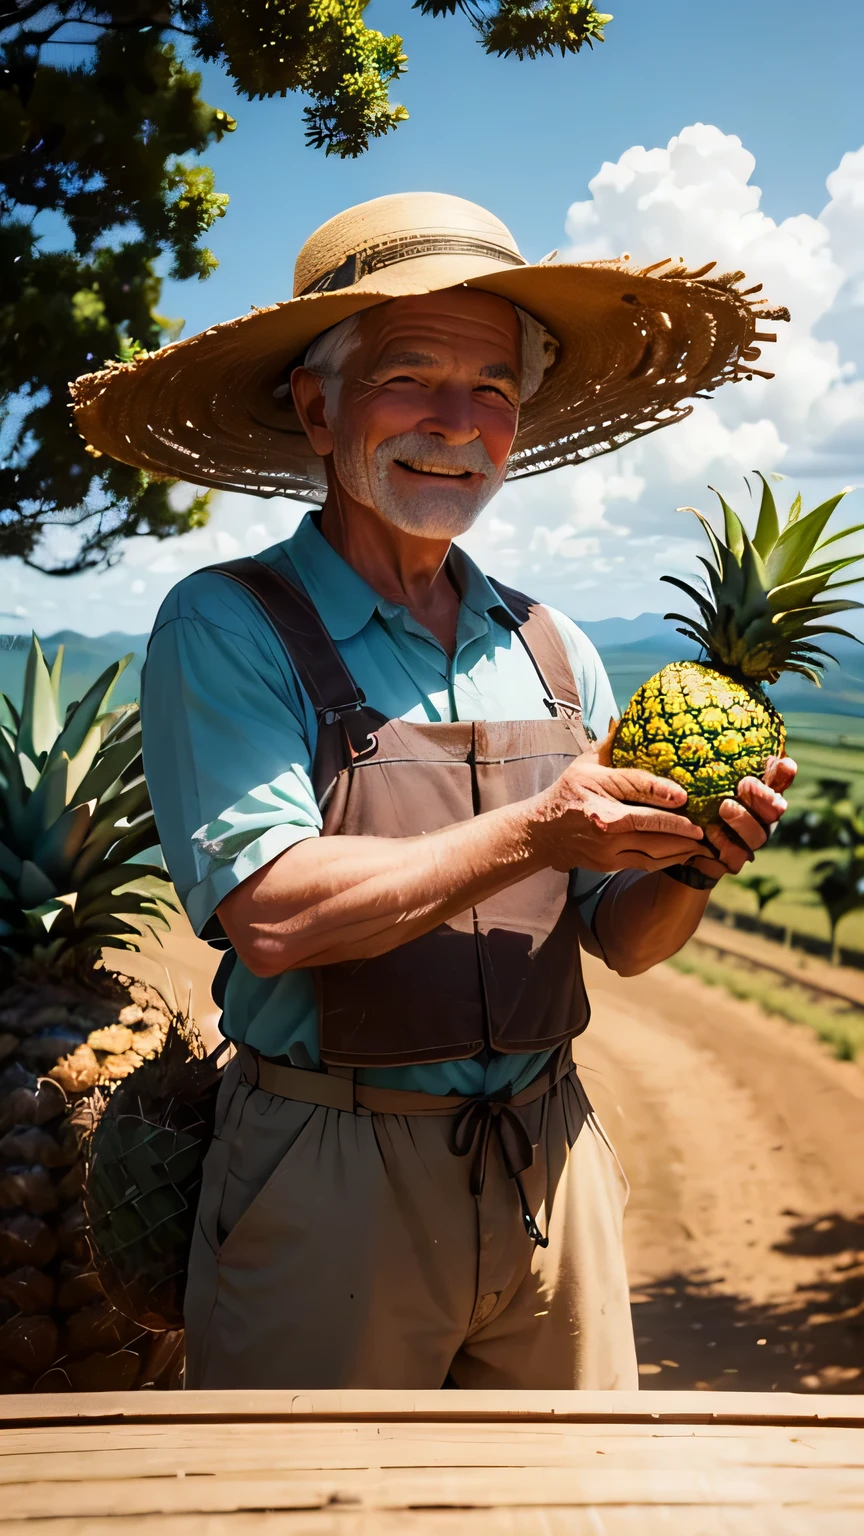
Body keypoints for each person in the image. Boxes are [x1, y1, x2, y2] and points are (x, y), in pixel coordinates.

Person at [72, 192, 795, 1391]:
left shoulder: (555, 646)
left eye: (495, 392)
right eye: (412, 379)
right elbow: (274, 911)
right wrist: (542, 826)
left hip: (548, 1160)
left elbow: (622, 942)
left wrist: (694, 864)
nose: (458, 426)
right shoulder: (228, 623)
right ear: (318, 404)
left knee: (574, 1513)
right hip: (325, 1172)